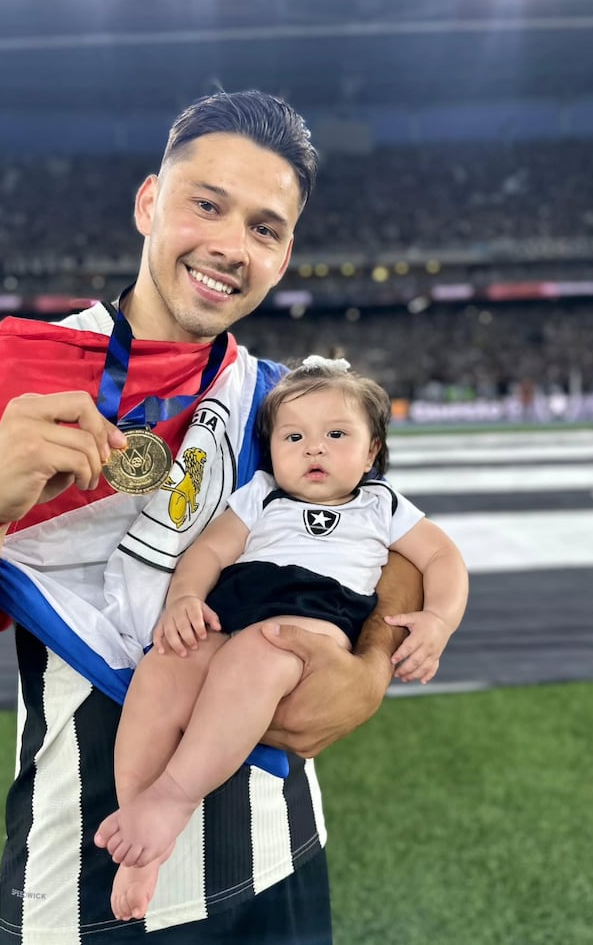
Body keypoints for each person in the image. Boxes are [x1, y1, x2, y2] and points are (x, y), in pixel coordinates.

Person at [0, 90, 424, 945]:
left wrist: (375, 668)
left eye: (265, 228)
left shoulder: (277, 400)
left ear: (283, 255)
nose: (231, 246)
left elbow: (396, 546)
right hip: (89, 881)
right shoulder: (27, 366)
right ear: (148, 202)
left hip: (280, 848)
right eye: (207, 204)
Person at [95, 357, 469, 922]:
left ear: (371, 452)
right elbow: (209, 552)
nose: (313, 449)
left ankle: (172, 797)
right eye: (294, 437)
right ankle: (139, 830)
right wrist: (184, 600)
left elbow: (442, 556)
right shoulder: (260, 496)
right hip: (236, 608)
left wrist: (439, 620)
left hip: (314, 618)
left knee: (262, 651)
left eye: (336, 435)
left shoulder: (381, 504)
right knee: (169, 663)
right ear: (270, 450)